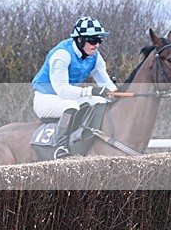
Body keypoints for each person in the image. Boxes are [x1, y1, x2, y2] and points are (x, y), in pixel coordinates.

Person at [31, 16, 117, 158]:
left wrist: (116, 94)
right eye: (93, 41)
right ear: (79, 39)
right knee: (71, 105)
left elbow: (105, 82)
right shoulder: (62, 55)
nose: (97, 45)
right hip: (45, 99)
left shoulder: (94, 55)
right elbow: (63, 90)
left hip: (67, 97)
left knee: (100, 102)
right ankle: (60, 148)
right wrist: (92, 90)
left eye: (99, 40)